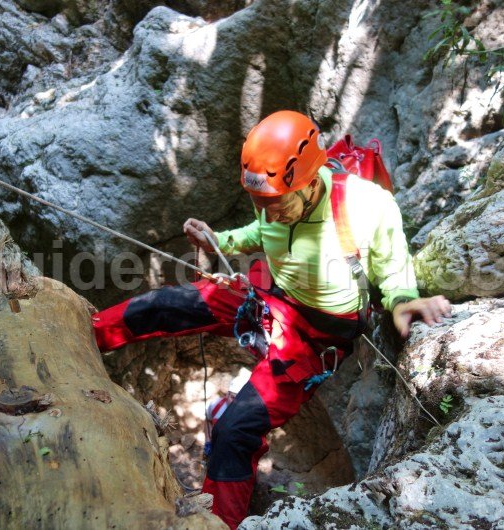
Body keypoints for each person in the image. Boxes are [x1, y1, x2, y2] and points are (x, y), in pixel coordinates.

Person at [92, 110, 451, 528]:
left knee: (235, 430)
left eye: (275, 204)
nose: (269, 212)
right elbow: (260, 232)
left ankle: (215, 524)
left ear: (309, 179)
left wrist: (403, 301)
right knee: (165, 305)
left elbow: (393, 267)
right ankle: (84, 335)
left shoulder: (366, 205)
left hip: (314, 339)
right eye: (259, 203)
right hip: (269, 299)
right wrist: (218, 240)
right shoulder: (275, 199)